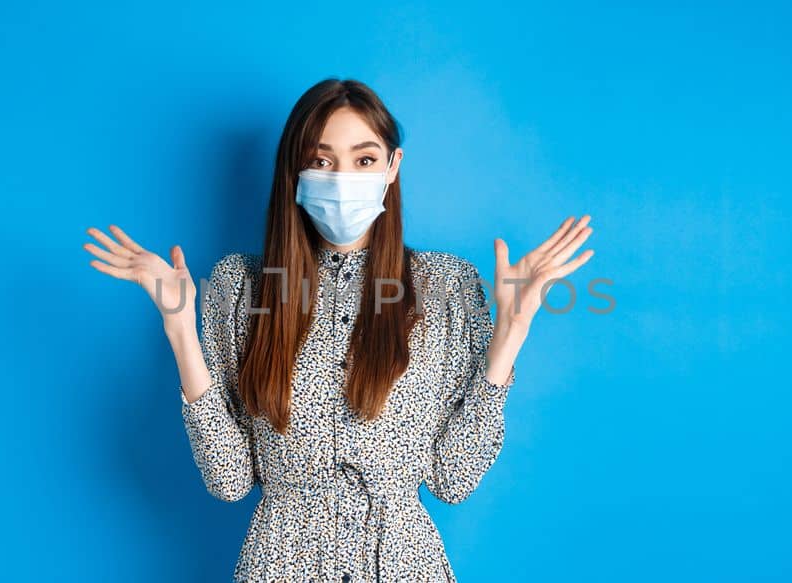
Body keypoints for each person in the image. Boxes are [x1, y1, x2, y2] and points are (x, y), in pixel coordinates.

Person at [83, 78, 594, 581]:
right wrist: (179, 330)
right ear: (296, 172)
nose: (343, 177)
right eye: (322, 160)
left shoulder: (445, 286)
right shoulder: (241, 288)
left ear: (393, 167)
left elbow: (453, 478)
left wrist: (512, 331)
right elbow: (230, 479)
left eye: (364, 159)